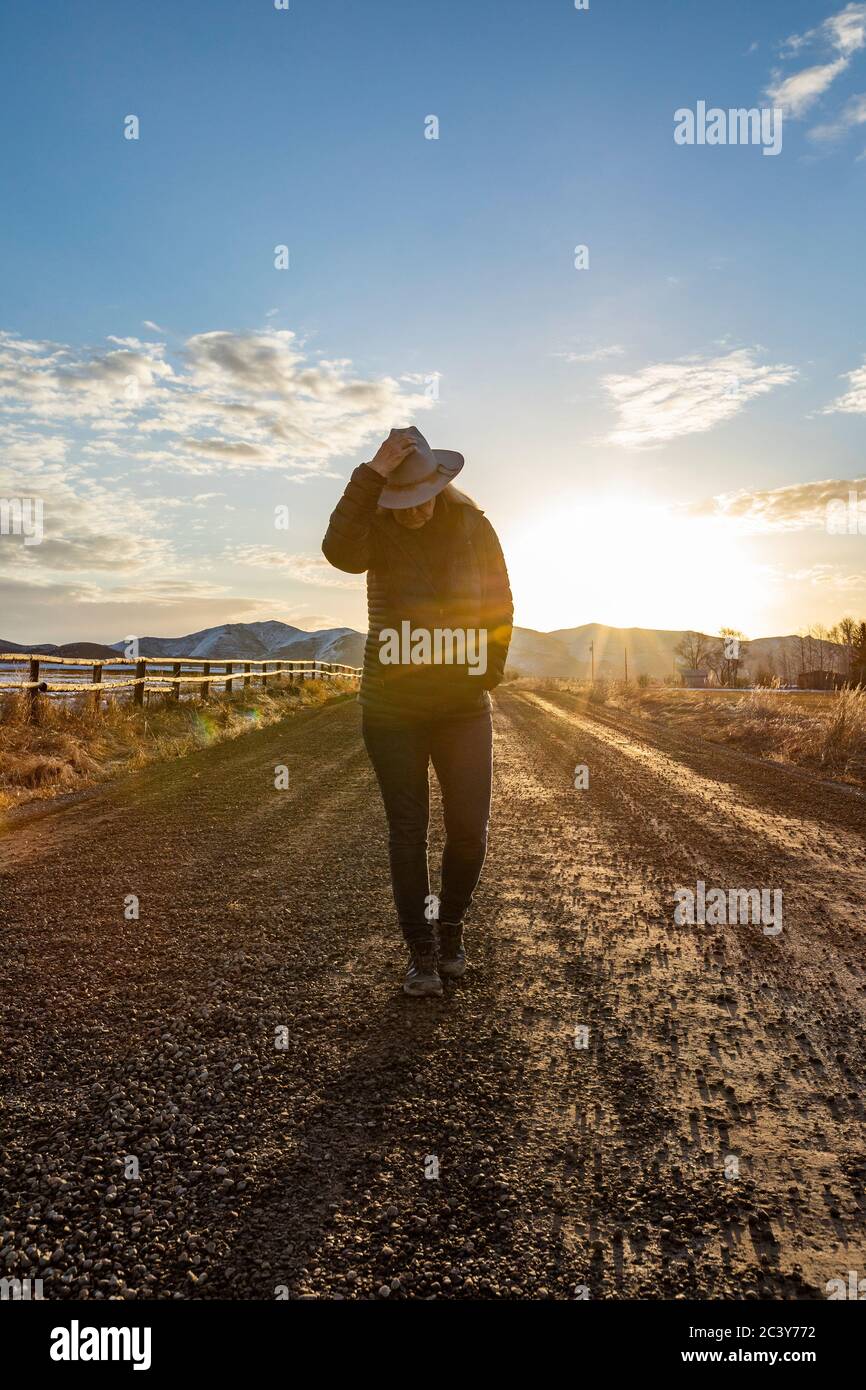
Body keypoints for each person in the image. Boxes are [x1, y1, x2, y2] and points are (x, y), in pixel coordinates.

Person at [322, 426, 513, 995]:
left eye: (417, 498)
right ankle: (421, 952)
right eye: (396, 500)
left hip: (461, 706)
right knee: (407, 830)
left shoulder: (474, 528)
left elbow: (501, 599)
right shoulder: (374, 530)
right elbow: (337, 551)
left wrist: (487, 670)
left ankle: (451, 927)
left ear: (438, 485)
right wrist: (370, 475)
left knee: (469, 830)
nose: (409, 512)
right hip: (391, 706)